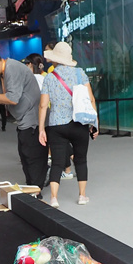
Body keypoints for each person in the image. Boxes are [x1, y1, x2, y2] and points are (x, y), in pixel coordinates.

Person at [38, 41, 97, 208]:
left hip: (56, 125)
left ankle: (54, 198)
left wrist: (41, 128)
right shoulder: (80, 74)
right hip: (79, 123)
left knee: (57, 162)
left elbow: (43, 105)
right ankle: (82, 196)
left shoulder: (49, 77)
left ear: (56, 58)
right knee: (81, 160)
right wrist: (94, 124)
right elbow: (90, 99)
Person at [0, 48, 45, 186]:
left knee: (31, 157)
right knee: (25, 156)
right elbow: (3, 98)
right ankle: (33, 186)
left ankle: (36, 190)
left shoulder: (12, 68)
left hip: (31, 119)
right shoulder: (4, 73)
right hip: (24, 120)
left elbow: (12, 98)